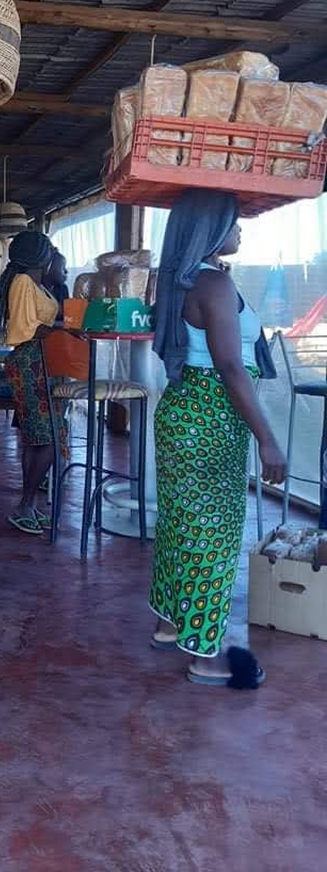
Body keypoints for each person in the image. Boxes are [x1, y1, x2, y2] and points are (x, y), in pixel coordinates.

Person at [150, 188, 286, 688]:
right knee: (214, 534)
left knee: (181, 526)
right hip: (211, 414)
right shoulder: (215, 286)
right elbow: (231, 366)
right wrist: (267, 438)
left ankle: (169, 626)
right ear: (211, 229)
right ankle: (205, 656)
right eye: (233, 221)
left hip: (183, 409)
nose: (240, 229)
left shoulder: (182, 281)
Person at [0, 230, 64, 535]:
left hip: (42, 361)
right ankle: (25, 503)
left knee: (37, 437)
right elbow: (24, 329)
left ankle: (29, 505)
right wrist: (64, 328)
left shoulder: (36, 284)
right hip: (30, 361)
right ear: (41, 255)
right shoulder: (23, 283)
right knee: (48, 439)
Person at [43, 247, 69, 322]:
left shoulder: (63, 289)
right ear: (48, 268)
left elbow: (68, 318)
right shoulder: (37, 290)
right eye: (63, 267)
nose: (66, 271)